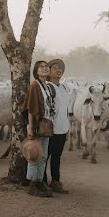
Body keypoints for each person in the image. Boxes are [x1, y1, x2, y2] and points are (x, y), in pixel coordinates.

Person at [24, 60, 54, 197]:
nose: (44, 68)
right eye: (41, 67)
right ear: (36, 71)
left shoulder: (47, 86)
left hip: (47, 125)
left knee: (43, 155)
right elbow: (31, 109)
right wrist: (30, 128)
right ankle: (32, 184)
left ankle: (40, 180)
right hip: (36, 125)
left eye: (46, 66)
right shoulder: (34, 85)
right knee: (34, 154)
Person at [44, 58, 71, 194]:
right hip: (51, 129)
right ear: (49, 72)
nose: (58, 70)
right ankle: (42, 183)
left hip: (62, 127)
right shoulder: (48, 87)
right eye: (54, 68)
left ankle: (55, 181)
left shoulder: (64, 87)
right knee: (45, 156)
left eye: (60, 68)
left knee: (57, 156)